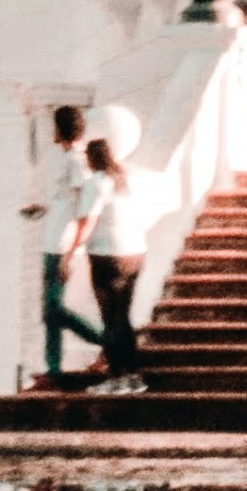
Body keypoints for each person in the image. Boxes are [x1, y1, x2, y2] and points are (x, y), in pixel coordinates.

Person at [62, 124, 157, 393]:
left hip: (107, 255)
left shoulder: (97, 182)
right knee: (123, 316)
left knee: (110, 317)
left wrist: (68, 256)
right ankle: (132, 376)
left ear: (92, 160)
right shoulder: (128, 180)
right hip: (135, 252)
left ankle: (116, 376)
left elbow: (87, 222)